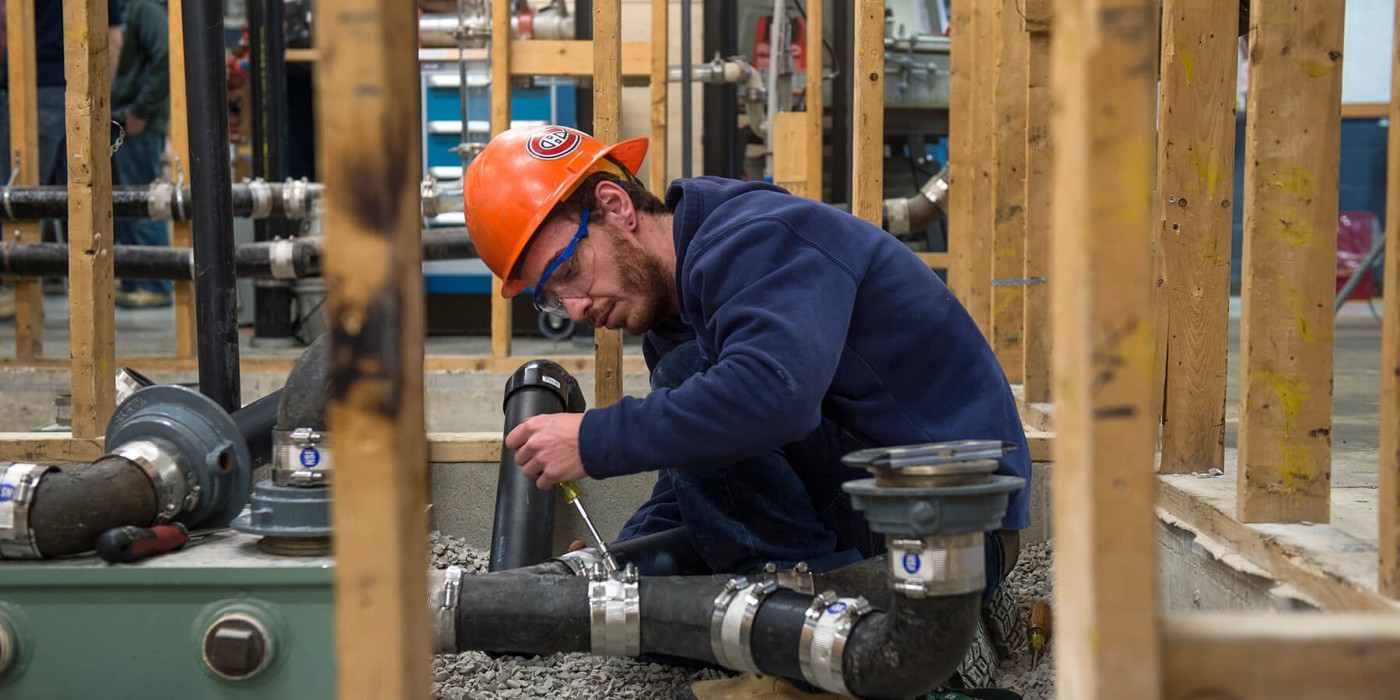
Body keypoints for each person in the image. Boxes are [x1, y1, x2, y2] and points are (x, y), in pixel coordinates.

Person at [464, 125, 1031, 598]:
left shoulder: (758, 238)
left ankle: (809, 632)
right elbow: (701, 481)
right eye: (550, 296)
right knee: (638, 604)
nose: (576, 306)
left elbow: (772, 397)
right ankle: (800, 614)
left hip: (947, 532)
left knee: (696, 382)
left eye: (567, 271)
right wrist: (620, 558)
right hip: (866, 513)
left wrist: (592, 439)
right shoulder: (674, 313)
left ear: (615, 207)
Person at [0, 0, 124, 319]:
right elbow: (113, 40)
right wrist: (102, 99)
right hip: (81, 89)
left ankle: (16, 290)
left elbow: (4, 23)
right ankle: (93, 292)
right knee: (85, 193)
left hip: (31, 88)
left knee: (20, 193)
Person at [110, 0, 171, 308]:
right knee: (124, 204)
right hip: (118, 118)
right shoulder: (125, 7)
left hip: (136, 123)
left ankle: (155, 281)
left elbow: (166, 55)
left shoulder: (144, 7)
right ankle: (137, 279)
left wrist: (141, 110)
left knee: (144, 200)